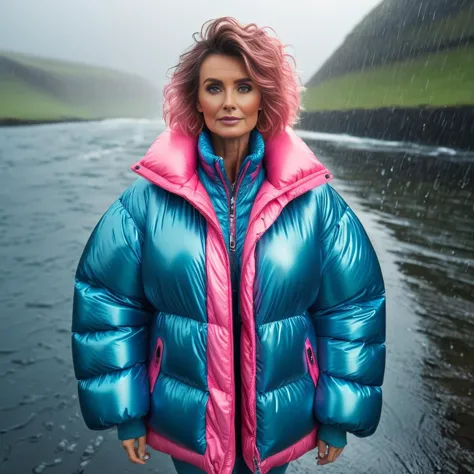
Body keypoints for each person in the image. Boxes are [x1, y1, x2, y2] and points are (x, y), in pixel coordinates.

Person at [71, 16, 386, 474]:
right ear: (195, 100)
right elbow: (107, 302)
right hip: (189, 423)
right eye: (214, 88)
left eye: (244, 87)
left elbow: (352, 308)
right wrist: (127, 412)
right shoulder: (145, 202)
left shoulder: (315, 204)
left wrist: (337, 414)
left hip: (278, 419)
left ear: (265, 96)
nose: (229, 102)